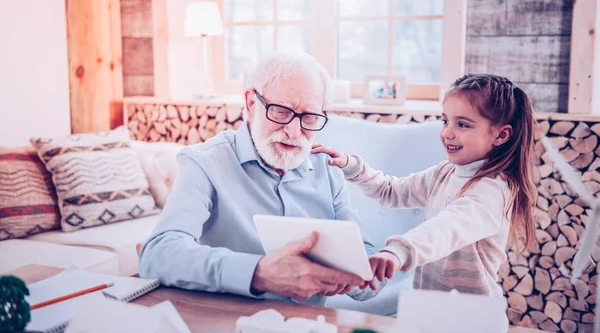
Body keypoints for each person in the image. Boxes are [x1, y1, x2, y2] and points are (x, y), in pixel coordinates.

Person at [139, 52, 379, 304]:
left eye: (309, 118)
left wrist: (359, 275)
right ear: (251, 104)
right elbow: (158, 255)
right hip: (229, 322)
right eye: (281, 112)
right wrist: (258, 273)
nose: (294, 132)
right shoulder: (205, 162)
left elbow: (369, 273)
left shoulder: (327, 169)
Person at [312, 73, 536, 296]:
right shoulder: (443, 173)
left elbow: (446, 229)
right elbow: (391, 191)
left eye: (463, 125)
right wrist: (352, 166)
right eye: (445, 121)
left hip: (471, 315)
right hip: (429, 303)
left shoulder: (494, 192)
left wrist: (399, 251)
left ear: (501, 135)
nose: (448, 133)